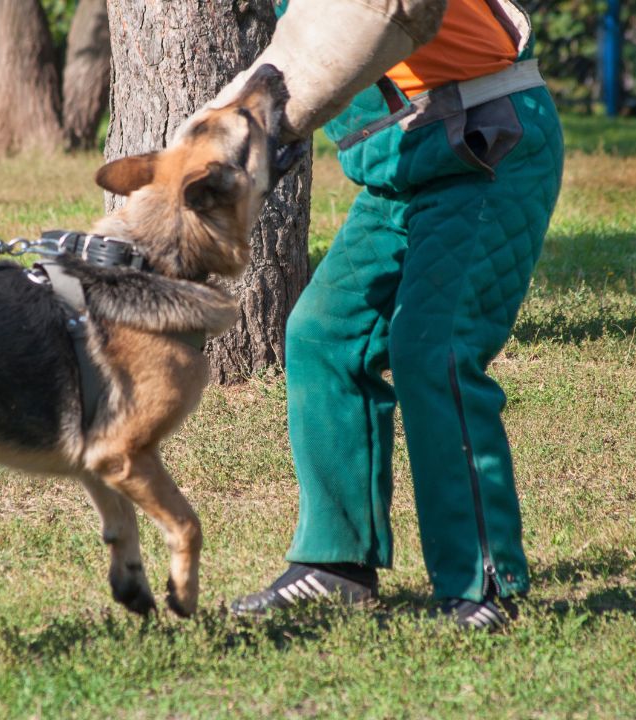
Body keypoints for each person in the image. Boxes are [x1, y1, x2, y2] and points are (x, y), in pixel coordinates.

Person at [212, 0, 565, 630]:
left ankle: (481, 585)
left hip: (487, 144)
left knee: (436, 350)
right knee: (324, 334)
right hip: (403, 166)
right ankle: (336, 565)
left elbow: (361, 35)